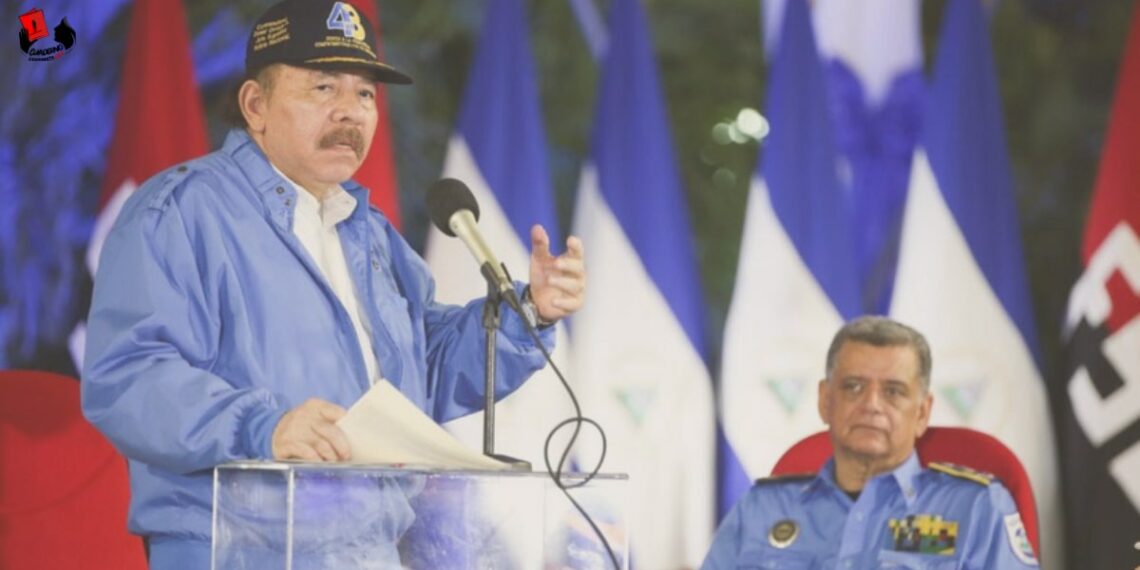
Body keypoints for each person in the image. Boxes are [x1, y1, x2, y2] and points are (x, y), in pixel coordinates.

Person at [80, 0, 586, 567]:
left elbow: (424, 371)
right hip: (236, 551)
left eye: (365, 94)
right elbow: (128, 376)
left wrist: (526, 315)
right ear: (256, 104)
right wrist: (262, 428)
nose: (351, 112)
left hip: (373, 551)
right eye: (324, 88)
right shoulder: (181, 212)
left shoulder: (368, 233)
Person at [702, 316, 1040, 569]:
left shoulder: (976, 507)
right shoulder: (763, 509)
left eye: (893, 391)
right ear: (825, 401)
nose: (872, 404)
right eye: (853, 387)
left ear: (922, 413)